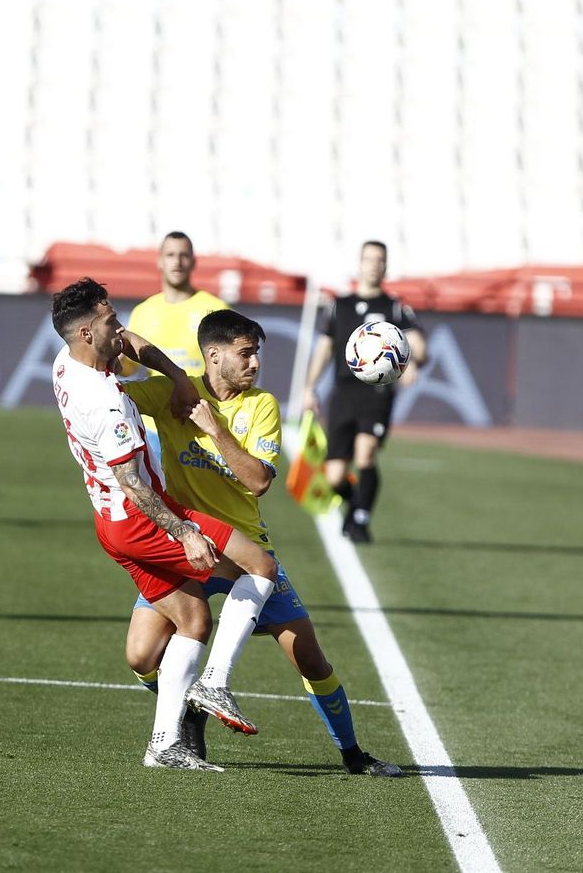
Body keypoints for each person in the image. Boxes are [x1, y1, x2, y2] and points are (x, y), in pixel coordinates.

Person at [124, 309, 404, 776]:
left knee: (310, 658)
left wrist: (215, 429)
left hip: (246, 551)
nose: (255, 363)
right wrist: (146, 368)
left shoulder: (261, 406)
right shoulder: (173, 393)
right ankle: (191, 705)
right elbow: (114, 371)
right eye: (246, 353)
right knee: (139, 656)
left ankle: (354, 756)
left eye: (257, 353)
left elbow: (257, 482)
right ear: (213, 356)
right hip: (188, 546)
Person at [51, 278, 278, 772]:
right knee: (260, 566)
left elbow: (130, 342)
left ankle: (163, 745)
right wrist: (184, 531)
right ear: (89, 332)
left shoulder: (67, 361)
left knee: (194, 620)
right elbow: (132, 482)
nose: (122, 328)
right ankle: (215, 680)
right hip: (139, 517)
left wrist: (177, 376)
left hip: (107, 523)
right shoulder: (106, 403)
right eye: (111, 321)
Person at [301, 241, 428, 543]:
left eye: (379, 259)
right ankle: (355, 501)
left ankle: (361, 520)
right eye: (368, 259)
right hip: (343, 392)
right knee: (333, 477)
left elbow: (419, 346)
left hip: (377, 392)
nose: (373, 264)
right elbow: (324, 347)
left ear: (386, 266)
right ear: (359, 264)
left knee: (366, 452)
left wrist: (410, 361)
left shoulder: (395, 307)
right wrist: (309, 387)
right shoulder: (339, 306)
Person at [122, 231, 229, 378]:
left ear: (193, 262)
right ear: (160, 261)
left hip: (204, 401)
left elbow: (235, 364)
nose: (177, 262)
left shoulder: (216, 309)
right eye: (170, 255)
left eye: (184, 255)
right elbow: (128, 368)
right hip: (158, 401)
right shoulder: (143, 311)